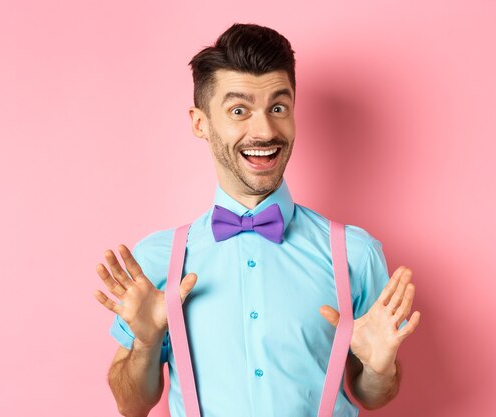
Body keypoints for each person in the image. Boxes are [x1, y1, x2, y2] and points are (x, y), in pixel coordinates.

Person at [94, 23, 420, 417]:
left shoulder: (355, 254)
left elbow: (372, 395)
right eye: (238, 111)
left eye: (278, 108)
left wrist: (380, 369)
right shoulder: (158, 258)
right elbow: (131, 405)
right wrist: (145, 344)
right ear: (200, 123)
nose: (264, 130)